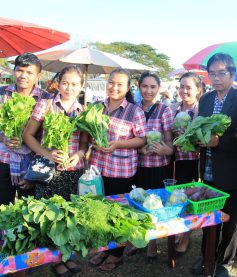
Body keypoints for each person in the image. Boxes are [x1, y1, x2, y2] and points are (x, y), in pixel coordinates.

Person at [190, 53, 237, 277]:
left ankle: (224, 262)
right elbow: (201, 127)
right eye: (212, 73)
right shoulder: (206, 99)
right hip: (208, 169)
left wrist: (219, 141)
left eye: (221, 73)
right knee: (209, 218)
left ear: (232, 74)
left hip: (232, 170)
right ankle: (206, 256)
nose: (216, 78)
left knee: (231, 219)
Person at [23, 65, 88, 276]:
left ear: (81, 86)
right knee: (49, 215)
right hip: (48, 171)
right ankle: (54, 260)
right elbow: (28, 135)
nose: (69, 88)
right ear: (58, 83)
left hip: (73, 171)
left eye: (74, 84)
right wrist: (46, 153)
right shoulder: (46, 105)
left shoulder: (83, 111)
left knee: (69, 216)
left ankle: (67, 255)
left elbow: (85, 145)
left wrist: (78, 155)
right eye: (65, 83)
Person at [87, 68, 146, 272]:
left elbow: (141, 139)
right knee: (101, 211)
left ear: (127, 87)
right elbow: (88, 134)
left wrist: (117, 145)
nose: (114, 87)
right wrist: (93, 142)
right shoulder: (96, 107)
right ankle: (105, 248)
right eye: (111, 82)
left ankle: (116, 254)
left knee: (118, 214)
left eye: (120, 84)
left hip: (121, 170)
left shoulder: (134, 111)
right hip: (98, 169)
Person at [0, 52, 52, 205]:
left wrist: (33, 173)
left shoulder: (46, 98)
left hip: (31, 162)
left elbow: (46, 136)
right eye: (20, 70)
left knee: (27, 211)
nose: (23, 76)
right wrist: (3, 138)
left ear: (37, 76)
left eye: (29, 72)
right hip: (3, 160)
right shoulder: (2, 93)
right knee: (2, 208)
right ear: (14, 70)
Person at [136, 71, 174, 263]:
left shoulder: (164, 110)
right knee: (140, 203)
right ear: (139, 87)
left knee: (157, 206)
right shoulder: (133, 109)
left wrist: (163, 149)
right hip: (138, 166)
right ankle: (141, 239)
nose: (148, 91)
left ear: (158, 89)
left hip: (159, 167)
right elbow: (131, 140)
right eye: (145, 86)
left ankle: (153, 243)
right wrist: (141, 150)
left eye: (153, 87)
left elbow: (170, 142)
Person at [170, 72, 202, 256]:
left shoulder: (202, 111)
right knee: (174, 198)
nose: (184, 91)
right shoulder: (172, 107)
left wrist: (189, 135)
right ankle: (175, 230)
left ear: (198, 89)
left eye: (188, 87)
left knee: (190, 199)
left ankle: (186, 237)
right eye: (181, 86)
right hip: (173, 160)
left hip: (193, 161)